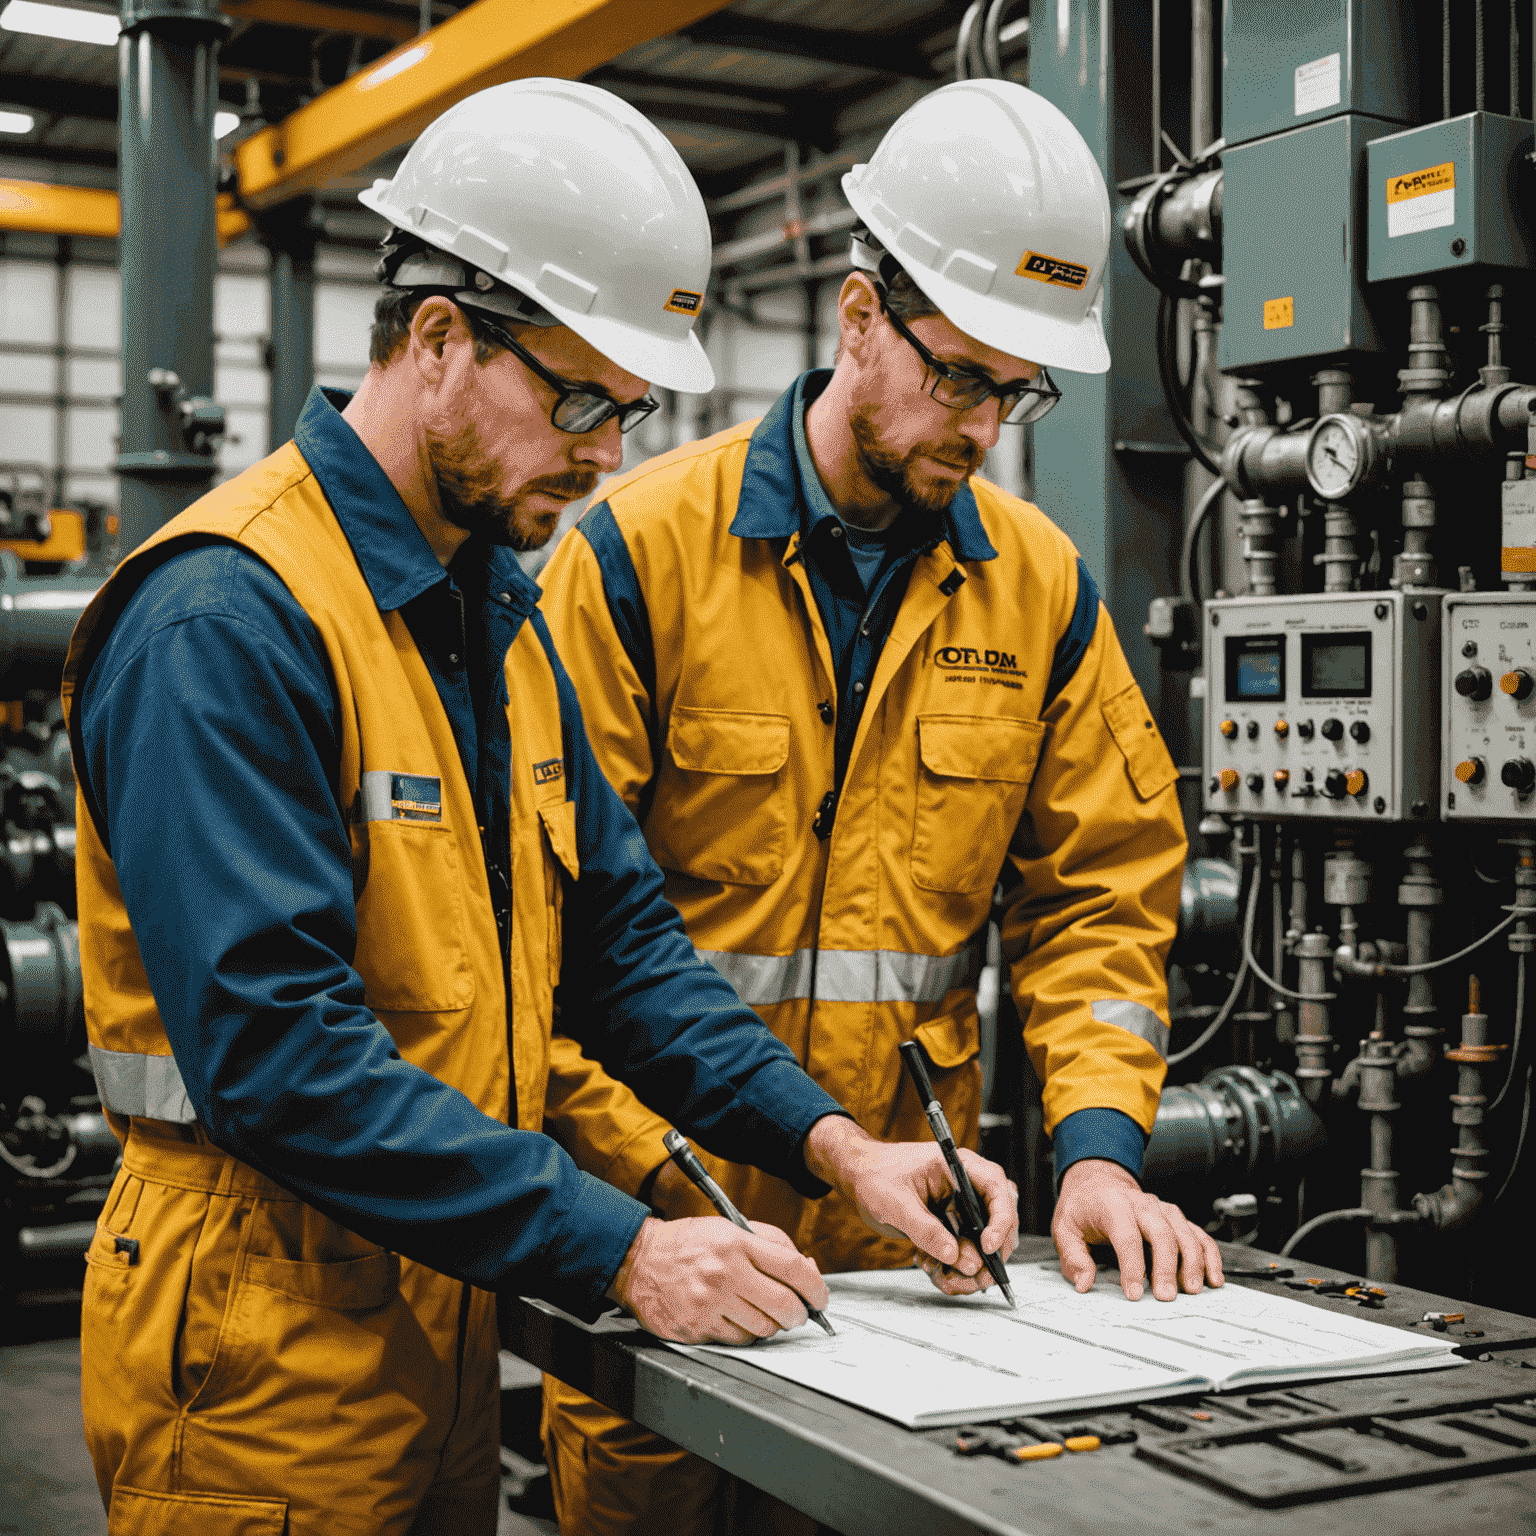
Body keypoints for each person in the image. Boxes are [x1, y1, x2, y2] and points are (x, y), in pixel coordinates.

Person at [62, 79, 1018, 1536]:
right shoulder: (227, 617)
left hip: (435, 1313)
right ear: (439, 339)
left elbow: (624, 958)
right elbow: (277, 1053)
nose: (606, 457)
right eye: (578, 401)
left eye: (628, 412)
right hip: (255, 1343)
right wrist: (622, 1247)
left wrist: (836, 1146)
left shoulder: (491, 620)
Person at [536, 77, 1225, 1533]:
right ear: (859, 321)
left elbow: (1102, 896)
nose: (982, 424)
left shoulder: (1036, 591)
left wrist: (1099, 1148)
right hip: (668, 1232)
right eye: (958, 376)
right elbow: (537, 933)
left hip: (916, 1251)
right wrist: (640, 1203)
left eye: (1016, 390)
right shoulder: (636, 559)